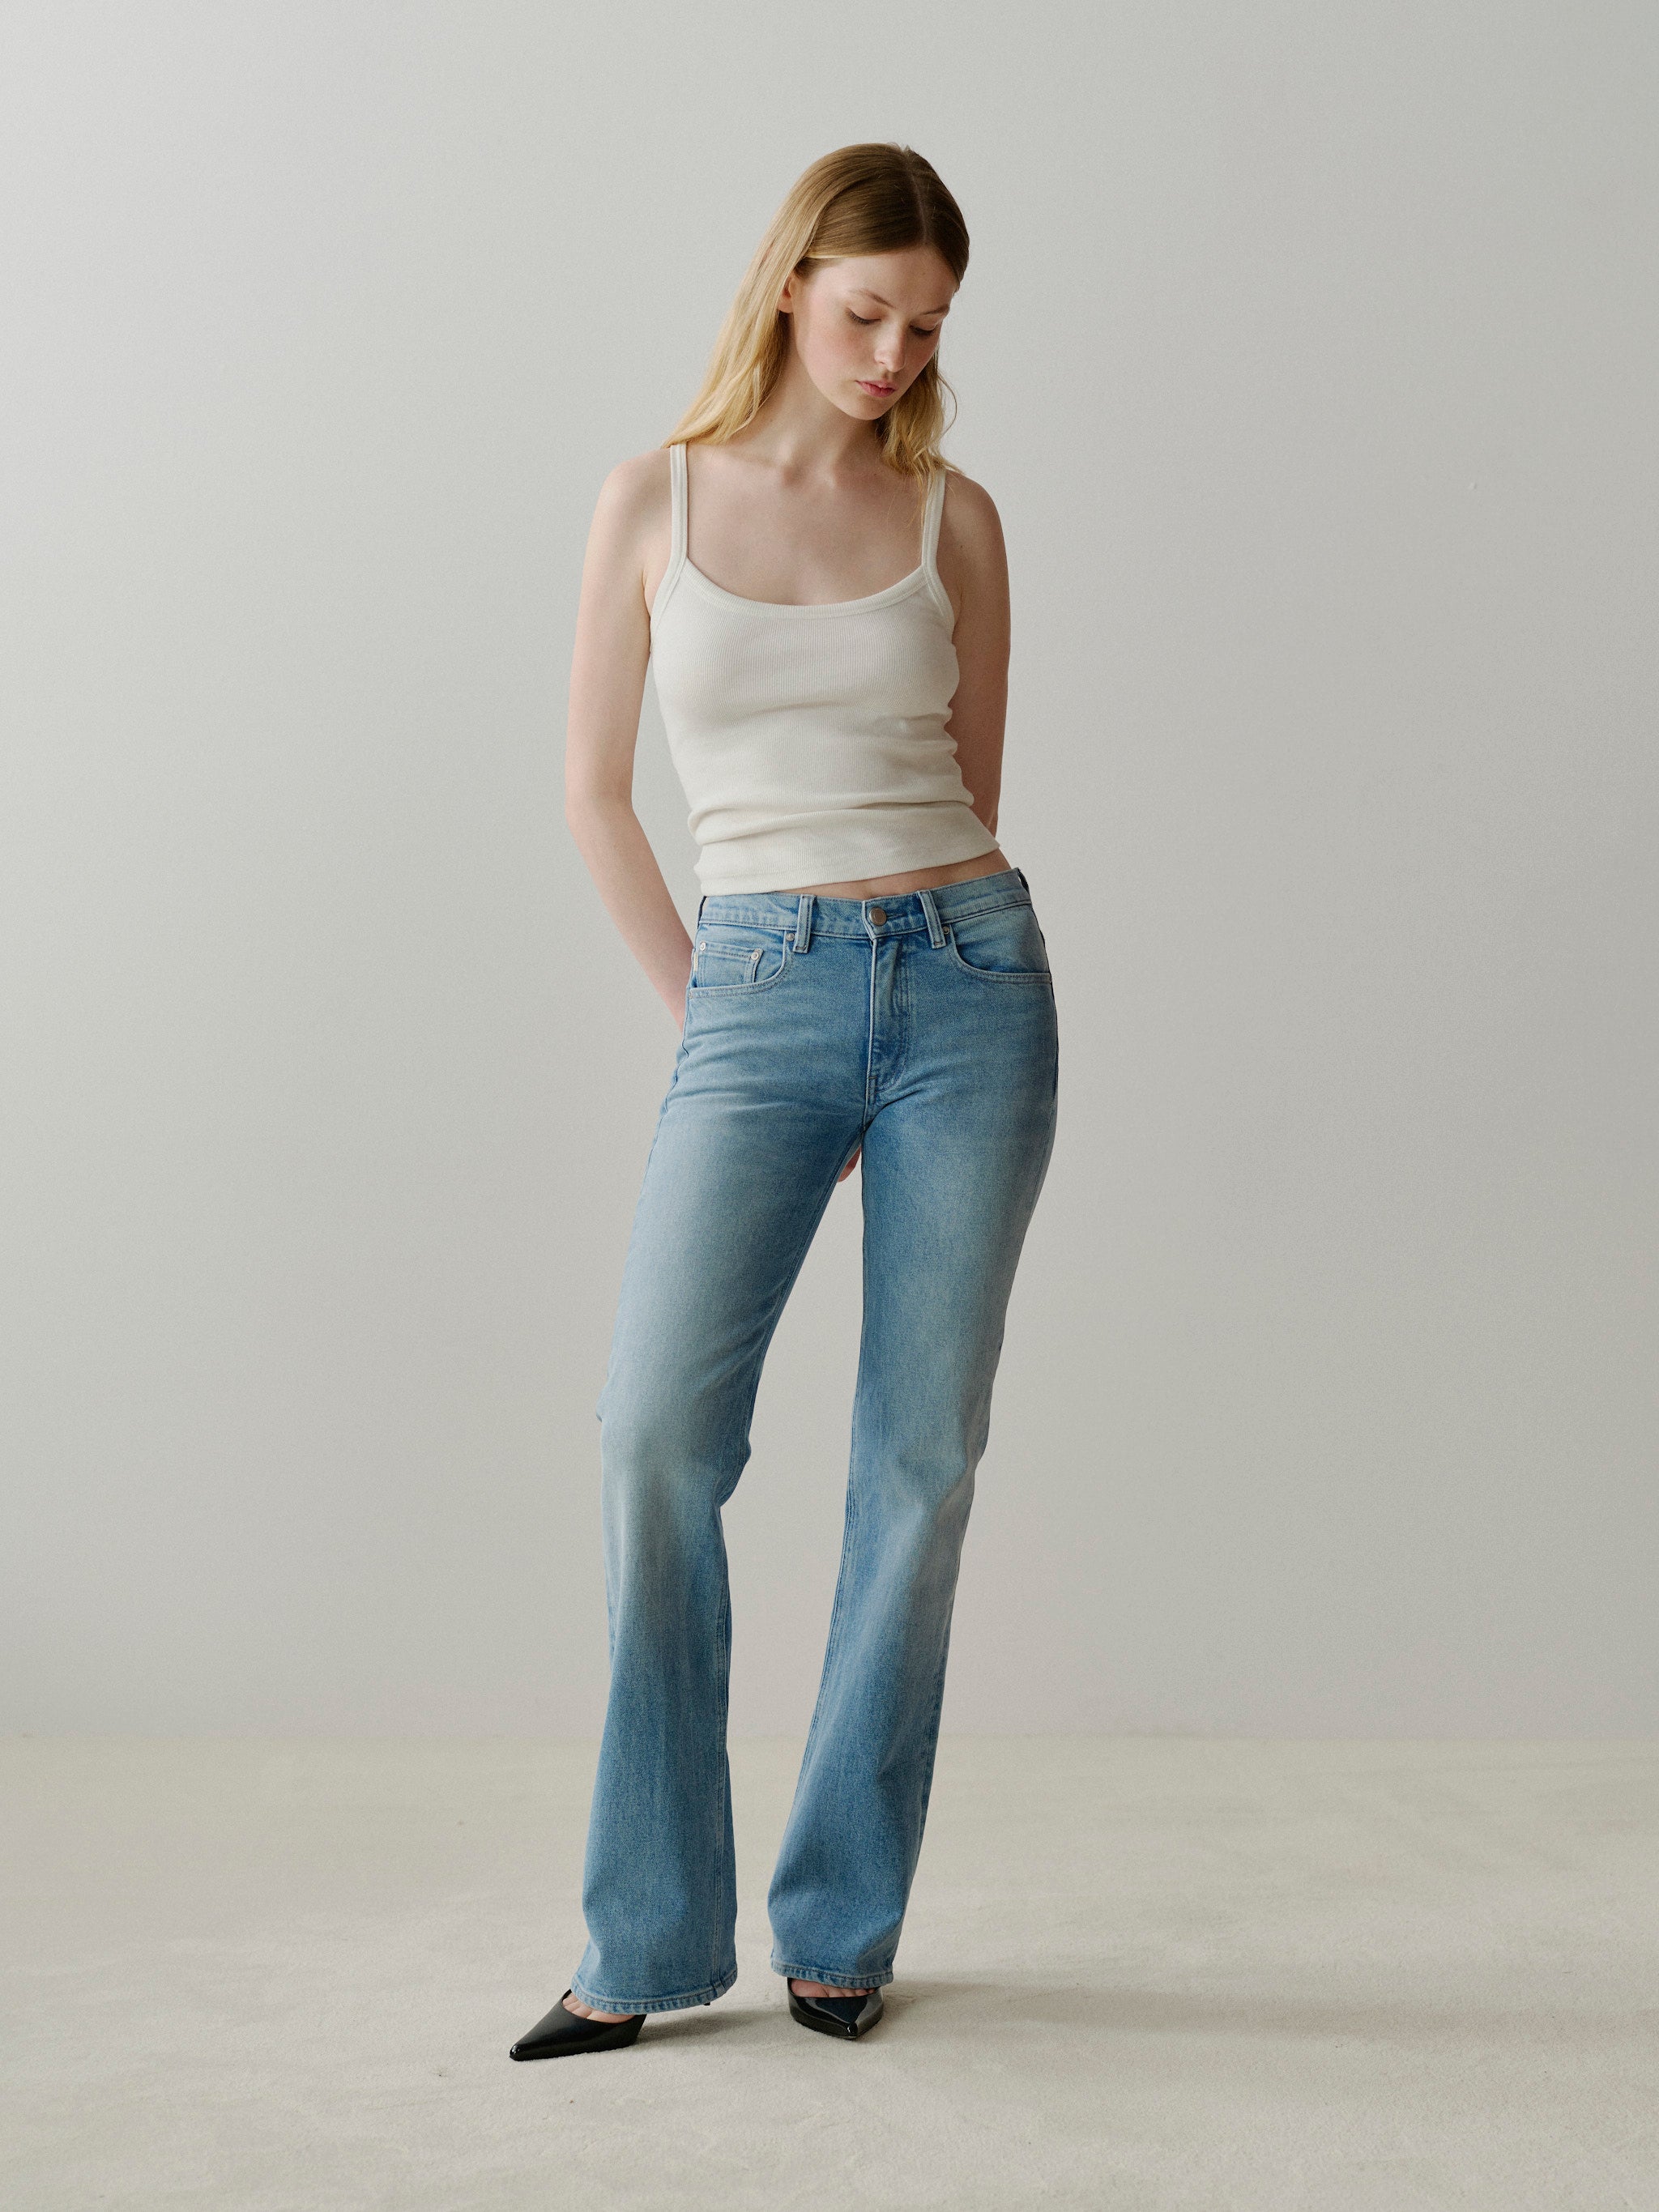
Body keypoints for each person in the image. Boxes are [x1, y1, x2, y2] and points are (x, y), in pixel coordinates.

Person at [510, 142, 1059, 2061]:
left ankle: (842, 1917)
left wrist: (900, 948)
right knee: (654, 1437)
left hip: (970, 986)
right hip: (751, 985)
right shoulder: (650, 499)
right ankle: (645, 1938)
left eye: (925, 325)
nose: (894, 353)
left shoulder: (957, 517)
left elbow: (967, 790)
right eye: (862, 314)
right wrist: (706, 1011)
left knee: (917, 1466)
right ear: (785, 289)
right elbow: (591, 788)